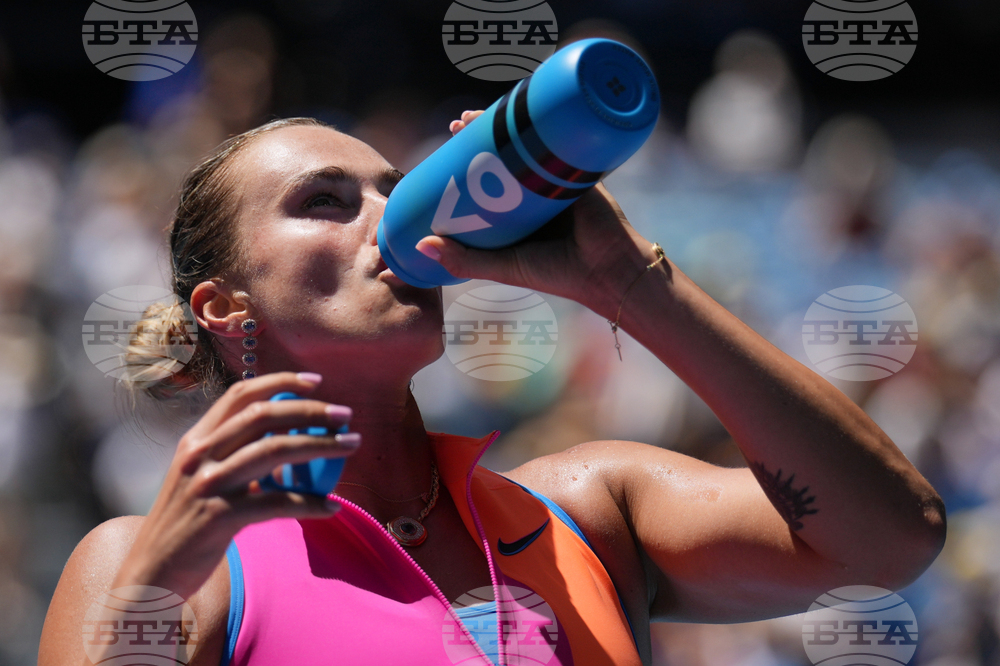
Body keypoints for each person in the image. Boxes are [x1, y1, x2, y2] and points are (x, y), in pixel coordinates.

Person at [38, 112, 946, 666]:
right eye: (325, 199)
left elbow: (894, 538)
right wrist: (157, 583)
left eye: (396, 192)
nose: (388, 219)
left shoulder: (587, 513)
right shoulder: (159, 565)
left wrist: (628, 284)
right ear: (225, 306)